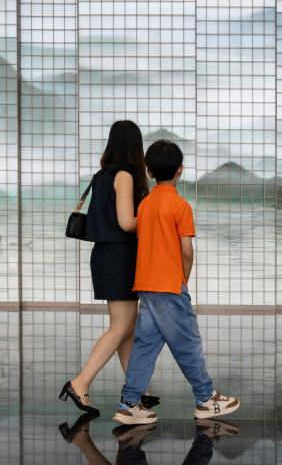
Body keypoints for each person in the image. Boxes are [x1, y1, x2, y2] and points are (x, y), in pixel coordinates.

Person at [113, 139, 240, 425]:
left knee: (145, 345)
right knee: (188, 342)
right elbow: (186, 250)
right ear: (180, 170)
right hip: (169, 287)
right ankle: (206, 399)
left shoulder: (145, 205)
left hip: (145, 286)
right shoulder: (180, 206)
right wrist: (183, 277)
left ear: (149, 171)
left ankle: (130, 403)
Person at [61, 120, 157, 415]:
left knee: (126, 328)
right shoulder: (125, 176)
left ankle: (137, 390)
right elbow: (127, 222)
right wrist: (155, 216)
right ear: (135, 147)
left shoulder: (102, 176)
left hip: (107, 255)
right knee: (120, 327)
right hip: (119, 257)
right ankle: (80, 382)